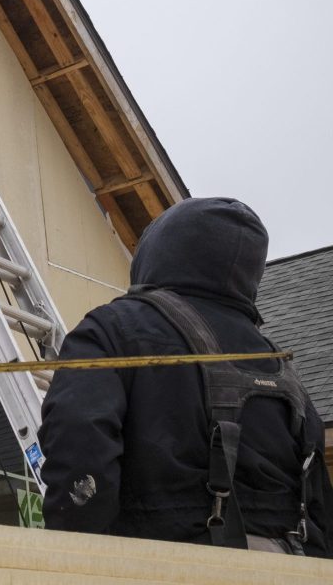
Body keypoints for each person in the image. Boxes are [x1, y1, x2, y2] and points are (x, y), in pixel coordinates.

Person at [39, 197, 331, 556]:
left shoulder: (114, 329)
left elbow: (79, 439)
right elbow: (318, 496)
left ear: (157, 251)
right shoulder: (278, 365)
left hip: (168, 563)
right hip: (293, 566)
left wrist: (79, 554)